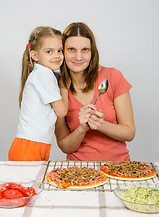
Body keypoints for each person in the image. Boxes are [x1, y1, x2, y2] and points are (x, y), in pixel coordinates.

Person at [55, 22, 135, 161]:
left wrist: (100, 124)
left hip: (118, 167)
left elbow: (129, 133)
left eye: (85, 50)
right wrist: (81, 129)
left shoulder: (113, 77)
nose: (78, 57)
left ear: (92, 52)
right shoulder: (56, 88)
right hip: (76, 170)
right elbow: (65, 146)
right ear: (62, 52)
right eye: (72, 49)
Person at [8, 26, 68, 161]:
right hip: (29, 146)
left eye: (60, 50)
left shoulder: (47, 73)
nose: (57, 55)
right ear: (35, 55)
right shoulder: (43, 74)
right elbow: (62, 111)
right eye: (49, 51)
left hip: (36, 144)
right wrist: (65, 86)